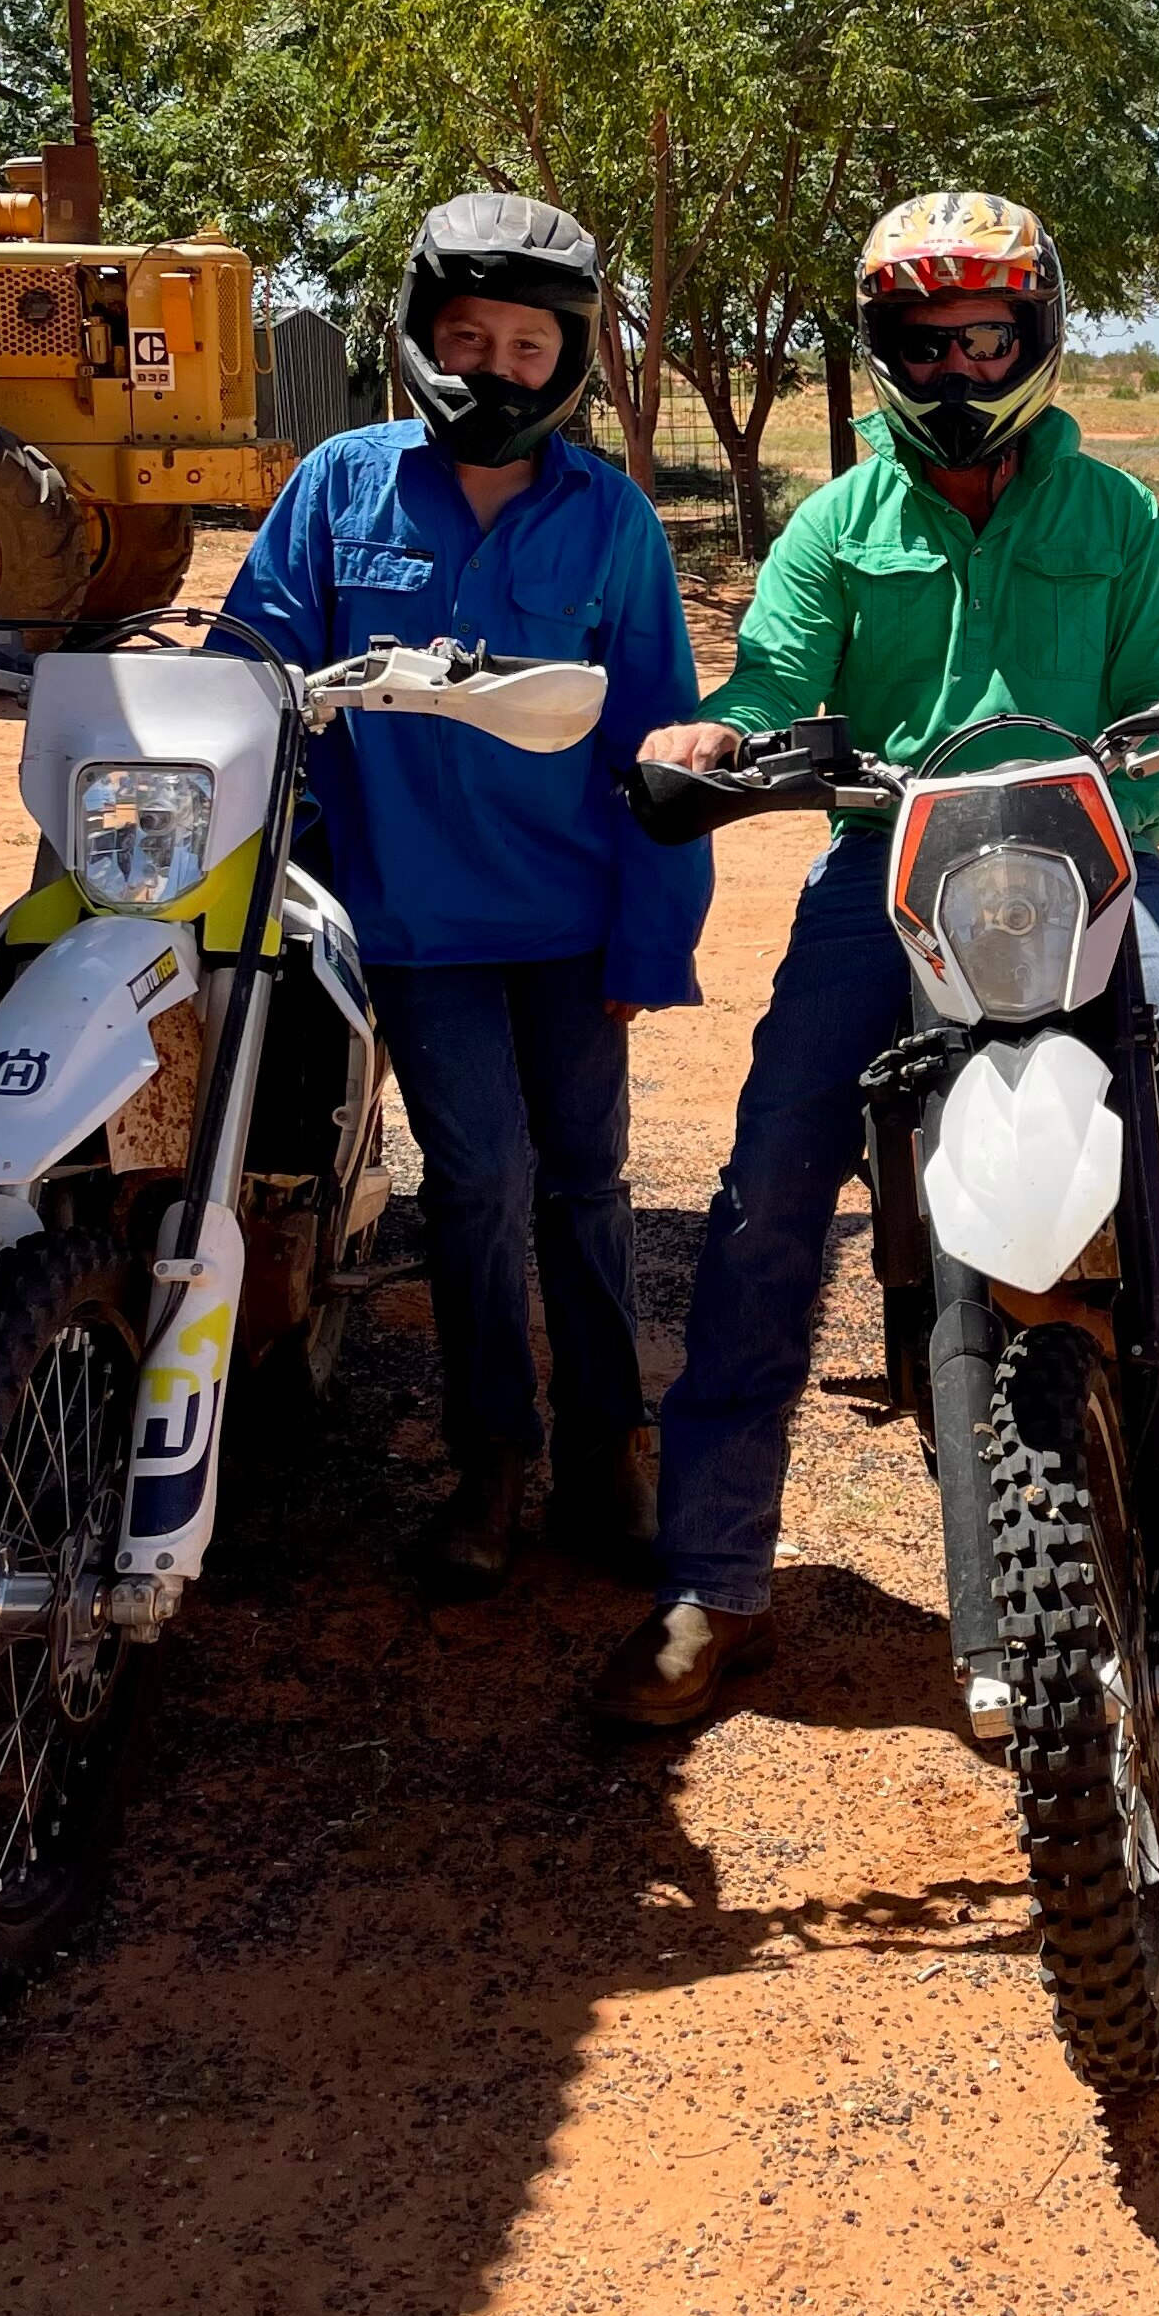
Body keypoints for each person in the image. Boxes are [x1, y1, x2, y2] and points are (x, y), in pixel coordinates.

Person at [591, 187, 1159, 1731]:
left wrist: (1131, 780)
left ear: (1034, 336)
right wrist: (721, 737)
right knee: (773, 1186)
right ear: (884, 349)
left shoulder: (1118, 516)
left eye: (985, 338)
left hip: (1087, 854)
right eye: (924, 342)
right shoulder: (840, 521)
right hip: (886, 873)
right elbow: (772, 689)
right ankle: (715, 1582)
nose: (957, 370)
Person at [222, 194, 711, 1597]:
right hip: (413, 923)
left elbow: (662, 737)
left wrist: (654, 932)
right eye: (466, 335)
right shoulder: (340, 485)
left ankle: (607, 1451)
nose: (495, 365)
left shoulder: (610, 516)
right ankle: (490, 1457)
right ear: (420, 338)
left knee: (588, 1185)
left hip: (574, 923)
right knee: (479, 1184)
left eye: (526, 343)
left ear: (569, 363)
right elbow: (251, 657)